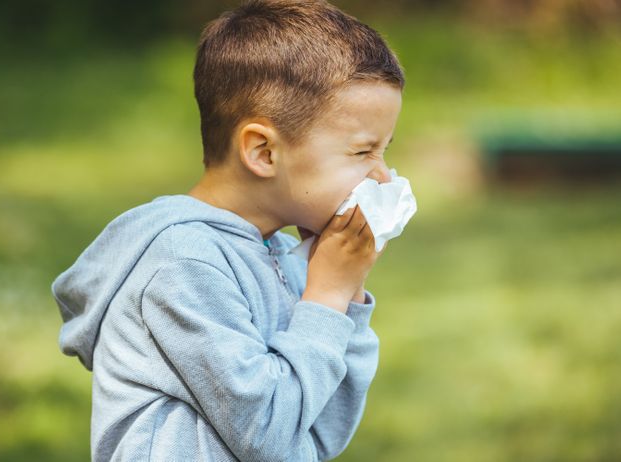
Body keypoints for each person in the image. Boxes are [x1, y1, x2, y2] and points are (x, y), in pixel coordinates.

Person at [51, 0, 405, 460]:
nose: (383, 176)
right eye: (362, 153)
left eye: (385, 150)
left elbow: (317, 434)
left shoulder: (283, 257)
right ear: (262, 152)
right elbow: (266, 438)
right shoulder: (182, 264)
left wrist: (347, 300)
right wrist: (328, 298)